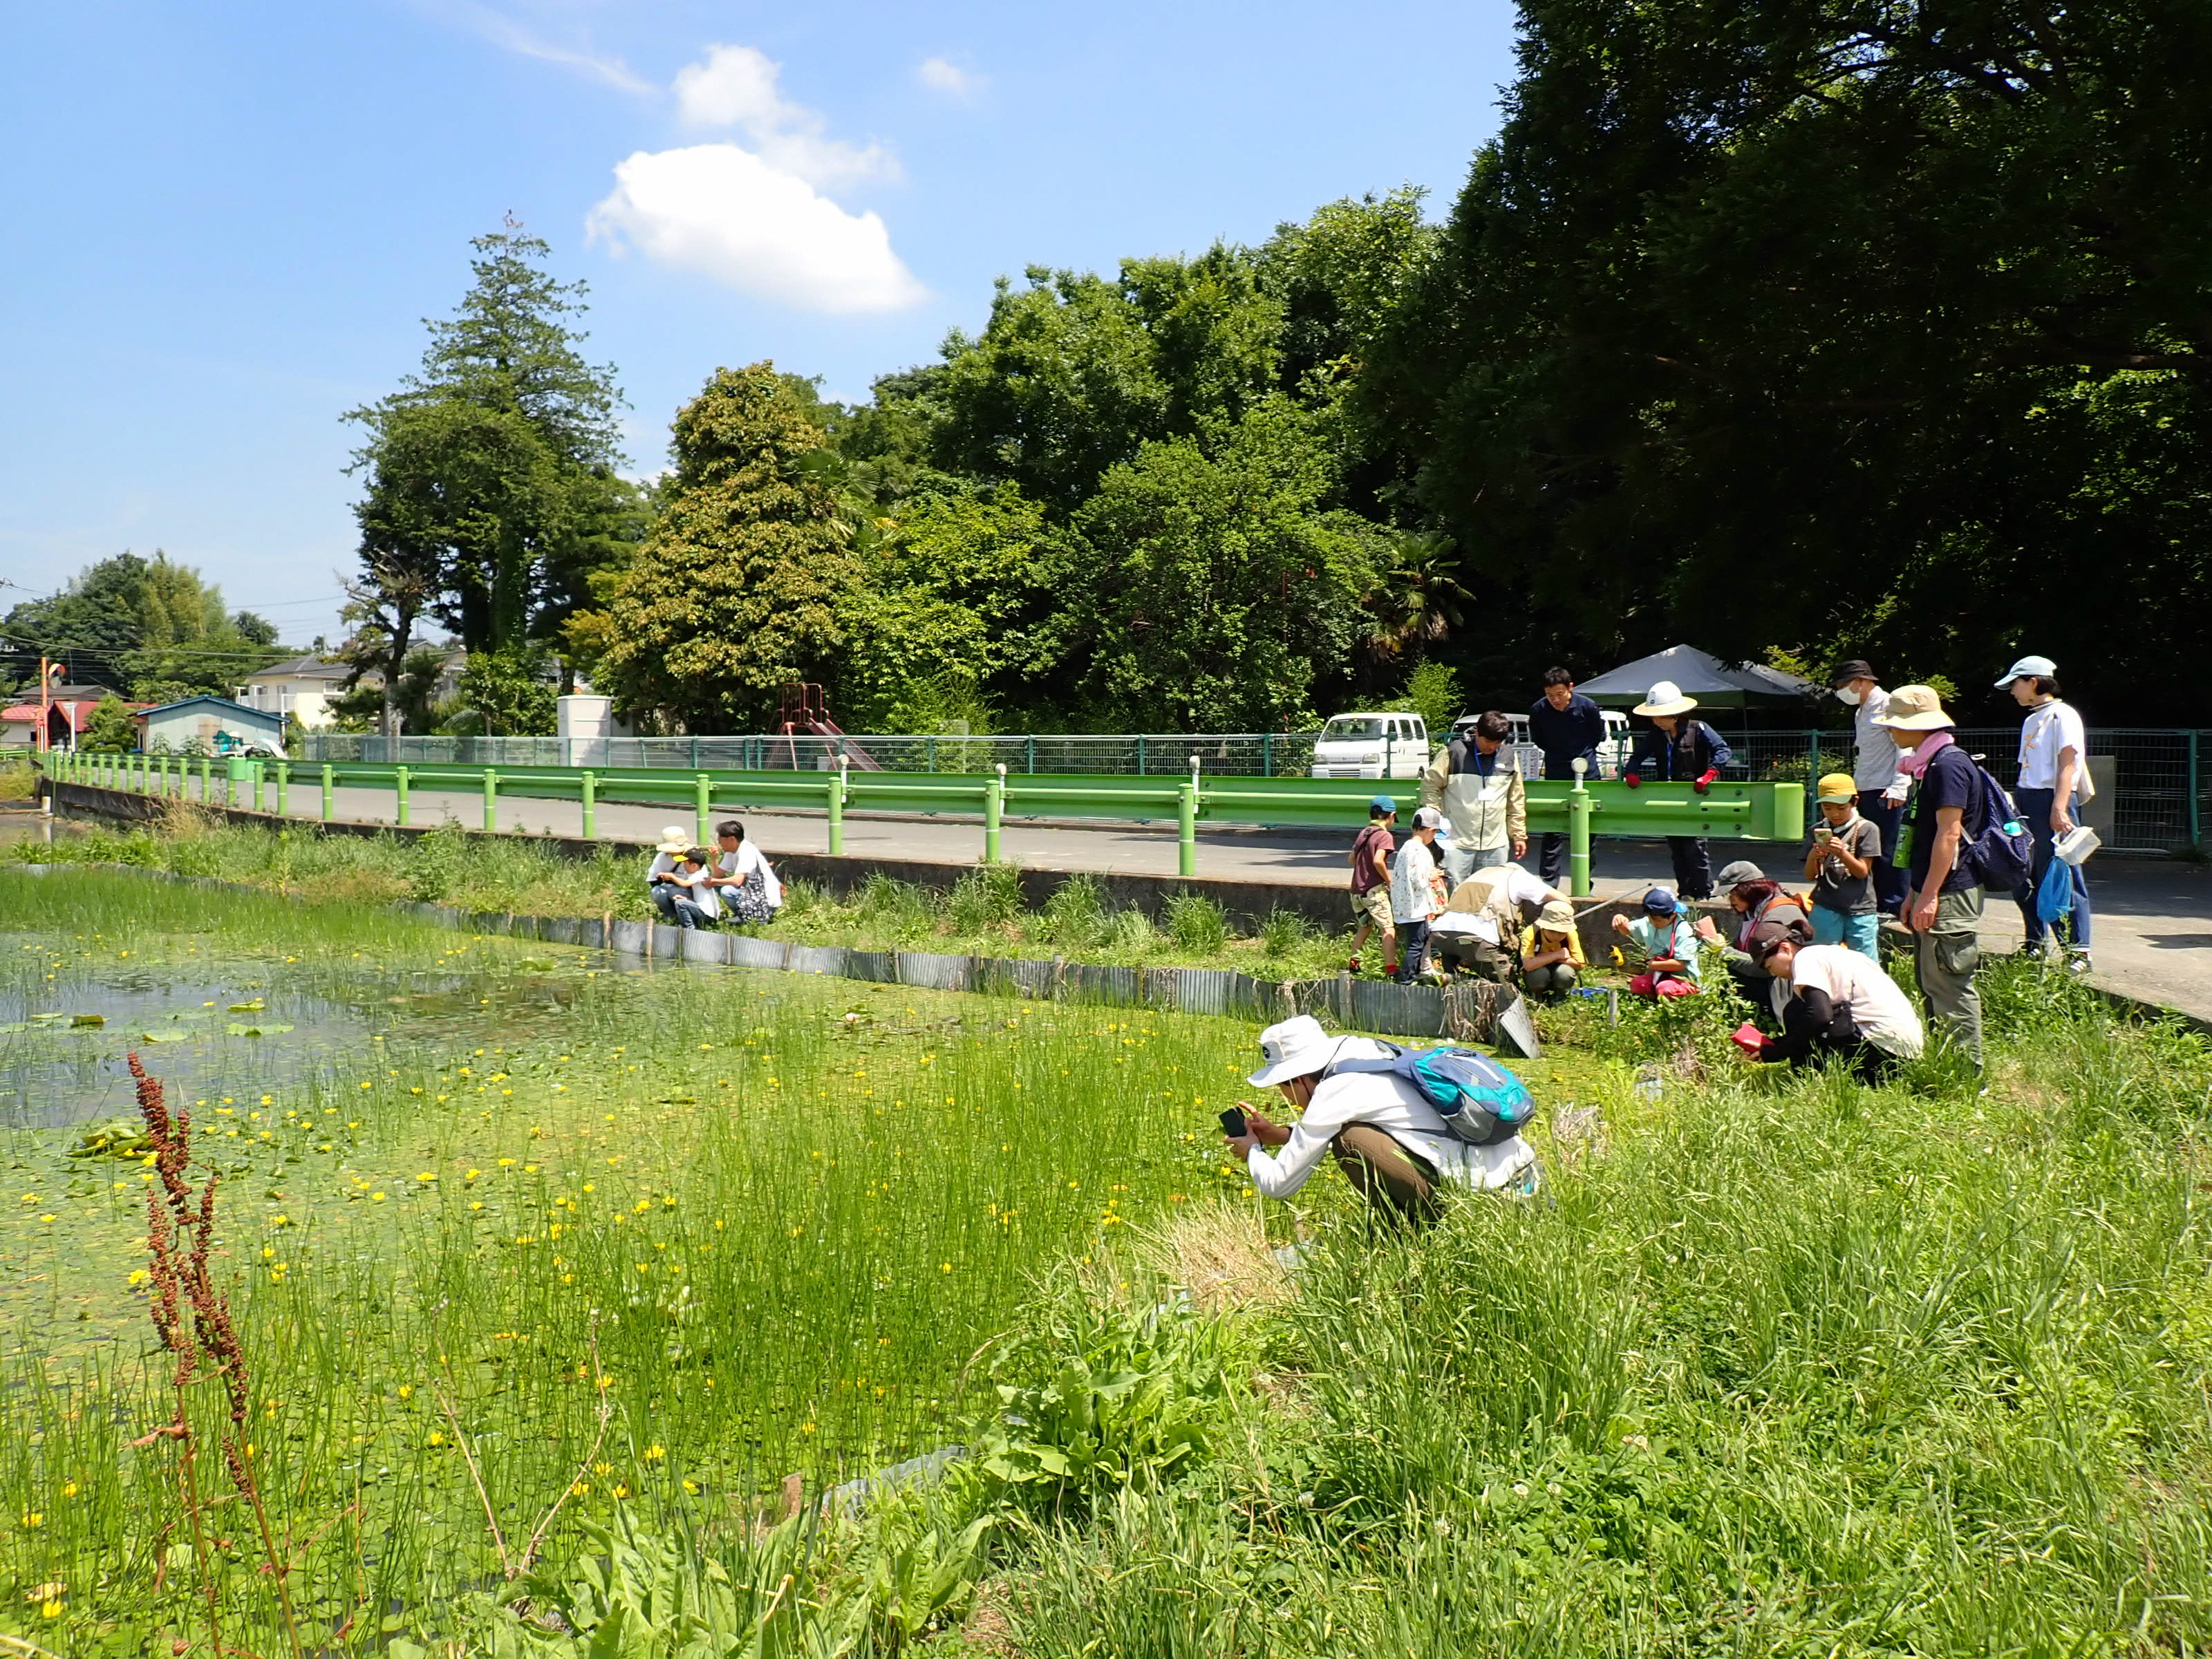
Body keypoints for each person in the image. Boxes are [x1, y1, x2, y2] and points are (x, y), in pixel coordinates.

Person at [1223, 1015, 1539, 1226]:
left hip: (1484, 1199)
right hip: (1522, 1176)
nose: (1285, 1096)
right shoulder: (1366, 1052)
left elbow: (1280, 1185)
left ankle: (1412, 1233)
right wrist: (1281, 1135)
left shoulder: (1333, 1090)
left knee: (1350, 1140)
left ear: (1298, 1078)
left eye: (1282, 1085)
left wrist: (1253, 1150)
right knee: (1349, 1131)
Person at [1873, 684, 1984, 1069]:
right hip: (1932, 888)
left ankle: (1968, 1074)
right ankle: (1943, 1063)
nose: (1890, 731)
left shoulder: (1949, 765)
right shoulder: (1928, 764)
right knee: (1931, 982)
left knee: (1950, 985)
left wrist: (1931, 894)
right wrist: (1915, 892)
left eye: (1894, 724)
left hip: (1951, 892)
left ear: (1916, 726)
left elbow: (1950, 834)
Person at [1741, 917, 1924, 1080]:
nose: (1773, 973)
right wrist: (1775, 1043)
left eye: (1769, 966)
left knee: (1796, 1011)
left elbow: (1819, 1016)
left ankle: (1807, 1079)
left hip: (1879, 1047)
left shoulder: (1805, 958)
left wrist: (1777, 1052)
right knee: (1803, 1012)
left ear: (1785, 948)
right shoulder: (1831, 953)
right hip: (1904, 1053)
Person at [1999, 655, 2093, 971]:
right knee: (2023, 872)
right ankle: (2036, 942)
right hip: (2027, 800)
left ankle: (2078, 951)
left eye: (2016, 684)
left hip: (2053, 801)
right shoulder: (2031, 719)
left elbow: (2069, 764)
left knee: (2063, 874)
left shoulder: (2063, 715)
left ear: (2033, 682)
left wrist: (2060, 807)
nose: (2013, 691)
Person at [1623, 682, 1733, 899]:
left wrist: (1710, 773)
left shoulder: (1698, 729)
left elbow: (1723, 750)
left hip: (1695, 796)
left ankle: (1704, 892)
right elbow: (1637, 756)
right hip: (1668, 798)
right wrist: (1631, 772)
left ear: (1675, 714)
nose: (1657, 721)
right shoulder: (1655, 735)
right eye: (1654, 717)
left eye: (1661, 716)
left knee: (1696, 849)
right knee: (1677, 849)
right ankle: (1685, 891)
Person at [1829, 660, 1911, 915]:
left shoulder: (1888, 704)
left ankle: (1895, 905)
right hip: (1865, 787)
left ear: (1862, 681)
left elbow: (1903, 746)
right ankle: (1875, 902)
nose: (1842, 691)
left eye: (1844, 685)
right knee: (1868, 848)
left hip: (1887, 788)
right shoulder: (1860, 711)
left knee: (1889, 850)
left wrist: (1900, 787)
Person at [1421, 711, 1527, 886]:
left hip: (1495, 844)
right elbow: (1430, 785)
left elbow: (1516, 799)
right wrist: (1436, 821)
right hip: (1456, 842)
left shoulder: (1509, 757)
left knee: (1490, 897)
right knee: (1453, 895)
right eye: (1488, 741)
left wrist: (1519, 835)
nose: (1492, 747)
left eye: (1497, 743)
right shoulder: (1454, 753)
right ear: (1477, 732)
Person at [1694, 861, 1810, 1018]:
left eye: (1733, 894)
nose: (1731, 900)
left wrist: (1722, 950)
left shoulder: (1780, 913)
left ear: (1748, 891)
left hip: (1779, 987)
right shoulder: (1753, 910)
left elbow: (1764, 968)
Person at [1528, 668, 1607, 888]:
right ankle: (1548, 881)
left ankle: (1584, 878)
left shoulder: (1588, 707)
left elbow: (1597, 736)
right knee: (1552, 827)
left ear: (1570, 688)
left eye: (1560, 694)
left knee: (1588, 829)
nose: (1555, 700)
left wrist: (1581, 754)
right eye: (1550, 695)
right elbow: (1539, 739)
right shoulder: (1538, 710)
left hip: (1587, 771)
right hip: (1555, 771)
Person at [1430, 864, 1571, 983]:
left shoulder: (1480, 874)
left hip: (1441, 935)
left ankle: (1450, 978)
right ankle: (1458, 980)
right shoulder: (1518, 877)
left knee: (1461, 970)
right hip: (1477, 940)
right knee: (1506, 983)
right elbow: (1562, 899)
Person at [1803, 774, 1882, 960]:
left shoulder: (1867, 829)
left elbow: (1862, 872)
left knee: (1864, 963)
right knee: (1822, 961)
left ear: (1854, 802)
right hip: (1825, 905)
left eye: (1841, 808)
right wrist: (1813, 857)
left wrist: (1843, 854)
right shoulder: (1816, 830)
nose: (1834, 814)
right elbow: (1809, 876)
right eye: (1827, 808)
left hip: (1860, 908)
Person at [1611, 887, 1702, 997]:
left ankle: (1682, 1000)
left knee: (1665, 989)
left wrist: (1653, 965)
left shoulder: (1683, 930)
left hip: (1684, 978)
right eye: (1651, 918)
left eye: (1658, 920)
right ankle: (1654, 1003)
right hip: (1659, 975)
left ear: (1673, 914)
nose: (1654, 923)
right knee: (1637, 984)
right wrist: (1620, 919)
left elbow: (1680, 965)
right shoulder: (1647, 923)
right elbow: (1627, 930)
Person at [1389, 806, 1445, 984]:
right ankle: (1406, 980)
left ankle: (1412, 976)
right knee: (1416, 945)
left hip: (1404, 904)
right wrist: (1432, 876)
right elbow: (1419, 881)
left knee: (1417, 941)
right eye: (1435, 833)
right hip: (1415, 906)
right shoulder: (1420, 851)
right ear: (1431, 830)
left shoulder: (1406, 847)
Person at [1345, 795, 1398, 976]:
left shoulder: (1364, 832)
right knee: (1388, 929)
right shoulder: (1385, 836)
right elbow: (1378, 861)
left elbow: (1351, 859)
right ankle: (1391, 969)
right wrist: (1389, 880)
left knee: (1365, 927)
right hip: (1374, 891)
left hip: (1356, 892)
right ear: (1392, 815)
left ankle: (1354, 965)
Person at [703, 819, 782, 926]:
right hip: (752, 893)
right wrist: (714, 859)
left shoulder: (747, 851)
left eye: (720, 839)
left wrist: (713, 881)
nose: (718, 843)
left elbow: (737, 881)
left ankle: (750, 918)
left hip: (765, 901)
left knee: (727, 890)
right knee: (718, 885)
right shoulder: (731, 851)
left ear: (732, 839)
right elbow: (718, 875)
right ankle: (745, 915)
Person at [1520, 899, 1586, 995]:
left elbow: (1580, 964)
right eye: (1552, 931)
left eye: (1562, 933)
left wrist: (1542, 958)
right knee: (1539, 974)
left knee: (1565, 972)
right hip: (1538, 972)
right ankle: (1538, 996)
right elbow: (1528, 966)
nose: (1556, 936)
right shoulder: (1531, 933)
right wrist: (1558, 955)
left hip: (1558, 968)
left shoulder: (1571, 934)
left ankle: (1560, 996)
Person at [645, 825, 695, 924]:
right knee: (657, 892)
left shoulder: (693, 856)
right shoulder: (662, 857)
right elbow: (653, 880)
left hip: (692, 892)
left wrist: (673, 878)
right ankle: (671, 916)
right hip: (672, 892)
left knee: (673, 891)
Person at [662, 849, 719, 930]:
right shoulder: (697, 873)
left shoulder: (700, 874)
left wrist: (671, 877)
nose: (684, 866)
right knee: (682, 901)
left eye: (685, 863)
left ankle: (690, 930)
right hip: (703, 910)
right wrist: (688, 899)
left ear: (694, 866)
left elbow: (684, 884)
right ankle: (693, 926)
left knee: (680, 904)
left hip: (708, 914)